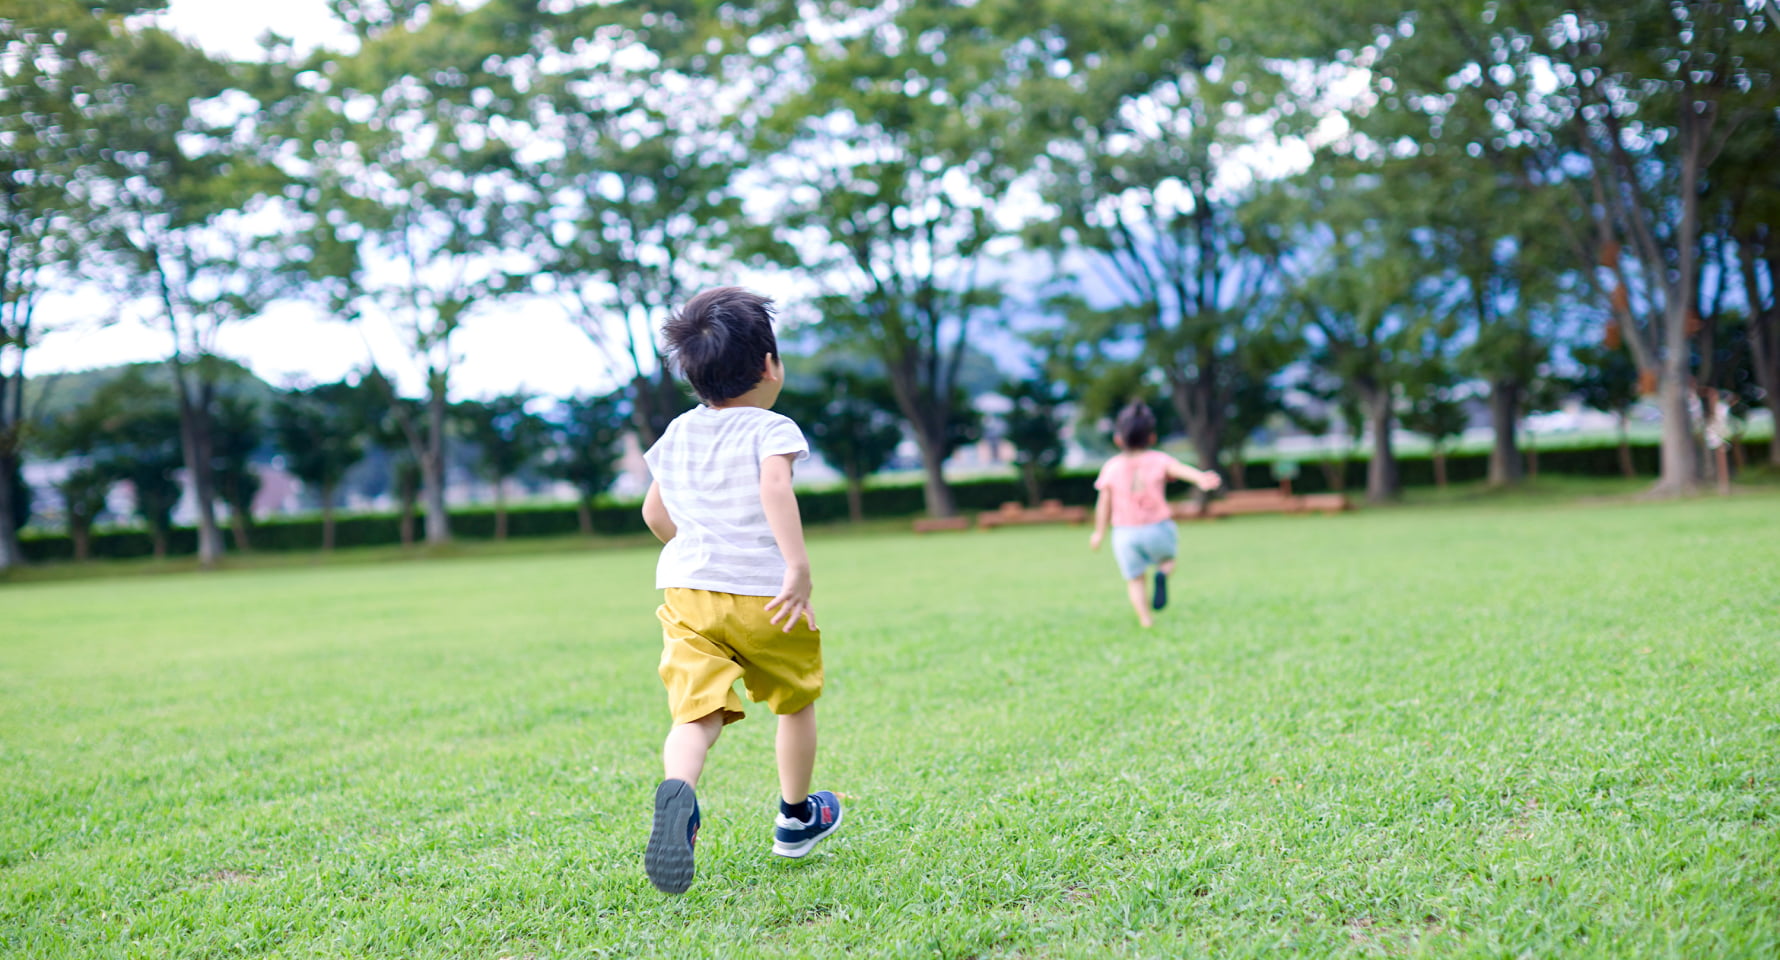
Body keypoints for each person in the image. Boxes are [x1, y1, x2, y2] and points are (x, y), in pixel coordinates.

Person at [638, 286, 842, 895]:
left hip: (689, 594)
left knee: (696, 713)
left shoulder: (677, 432)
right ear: (769, 364)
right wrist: (797, 566)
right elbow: (775, 487)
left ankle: (680, 792)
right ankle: (795, 819)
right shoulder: (771, 427)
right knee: (794, 701)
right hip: (764, 595)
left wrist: (697, 547)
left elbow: (654, 513)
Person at [1088, 402, 1222, 628]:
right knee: (1168, 560)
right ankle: (1163, 573)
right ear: (1152, 437)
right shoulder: (1159, 460)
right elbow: (1179, 469)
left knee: (1135, 579)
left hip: (1125, 533)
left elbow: (1103, 504)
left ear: (1118, 439)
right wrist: (1200, 478)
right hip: (1157, 527)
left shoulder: (1111, 467)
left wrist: (1098, 533)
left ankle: (1146, 620)